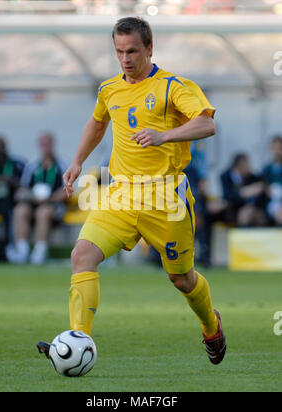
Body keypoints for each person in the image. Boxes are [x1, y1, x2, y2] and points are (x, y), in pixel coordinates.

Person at [37, 17, 226, 365]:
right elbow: (98, 121)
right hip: (121, 194)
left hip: (166, 198)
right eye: (120, 51)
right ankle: (79, 342)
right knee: (82, 256)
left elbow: (207, 122)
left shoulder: (173, 87)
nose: (125, 58)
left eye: (133, 51)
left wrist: (164, 135)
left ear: (150, 48)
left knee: (182, 280)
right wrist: (78, 160)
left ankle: (211, 326)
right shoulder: (110, 89)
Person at [6, 133, 68, 265]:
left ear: (52, 145)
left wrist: (49, 198)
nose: (45, 147)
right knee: (20, 209)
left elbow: (67, 190)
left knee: (43, 212)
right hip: (34, 202)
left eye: (48, 144)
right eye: (42, 144)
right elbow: (23, 188)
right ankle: (22, 250)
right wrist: (33, 197)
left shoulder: (61, 164)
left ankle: (40, 252)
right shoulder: (32, 165)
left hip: (53, 205)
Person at [221, 153, 267, 227]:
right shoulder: (225, 176)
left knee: (258, 215)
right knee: (245, 215)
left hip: (252, 208)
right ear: (239, 166)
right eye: (247, 164)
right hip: (233, 209)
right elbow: (227, 195)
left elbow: (261, 190)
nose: (249, 166)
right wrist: (243, 192)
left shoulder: (252, 177)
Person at [263, 136, 282, 225]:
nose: (277, 152)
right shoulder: (266, 169)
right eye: (274, 148)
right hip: (270, 204)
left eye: (279, 148)